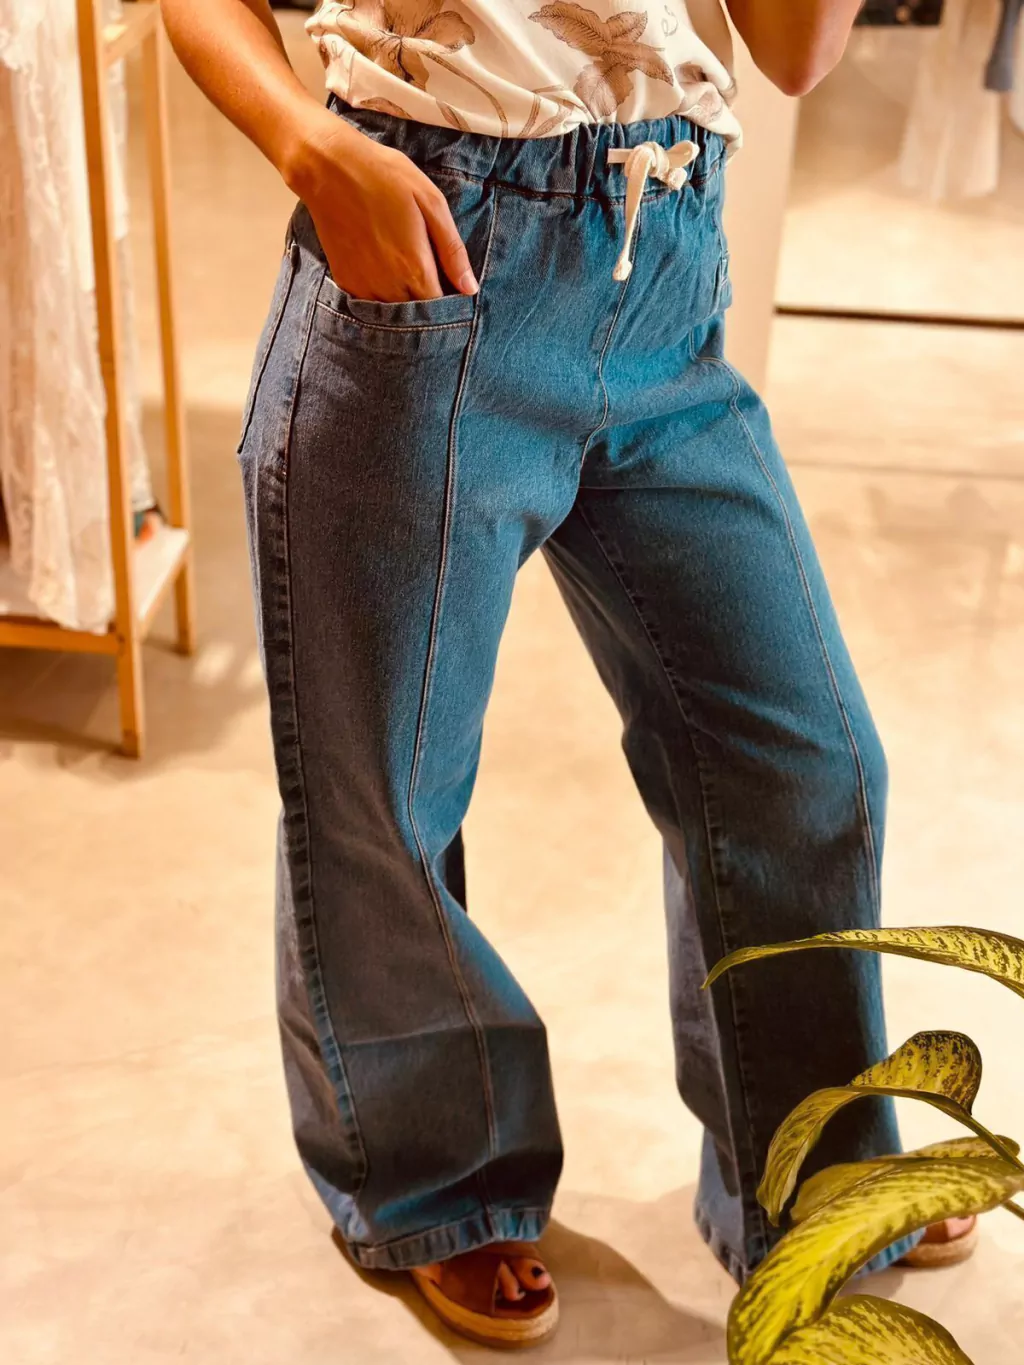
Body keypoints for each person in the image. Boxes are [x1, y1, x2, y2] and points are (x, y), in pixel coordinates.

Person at [163, 0, 976, 1348]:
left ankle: (809, 1162)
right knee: (388, 794)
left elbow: (796, 54)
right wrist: (312, 148)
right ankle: (439, 1184)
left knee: (801, 761)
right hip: (433, 254)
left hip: (668, 271)